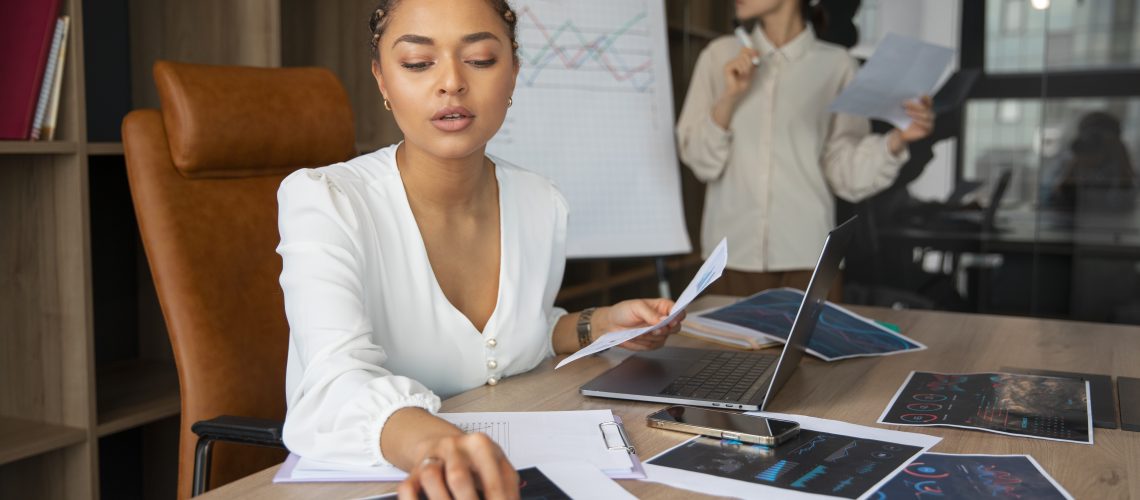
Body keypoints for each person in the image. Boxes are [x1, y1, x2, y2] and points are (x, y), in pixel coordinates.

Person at [275, 0, 683, 498]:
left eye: (481, 59)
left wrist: (595, 324)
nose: (450, 82)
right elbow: (329, 384)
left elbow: (509, 340)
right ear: (382, 80)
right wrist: (437, 444)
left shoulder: (540, 201)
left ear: (512, 74)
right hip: (377, 477)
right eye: (418, 63)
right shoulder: (327, 200)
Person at [676, 0, 935, 298]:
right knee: (720, 347)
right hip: (728, 259)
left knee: (809, 347)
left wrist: (897, 139)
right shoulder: (718, 56)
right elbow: (700, 161)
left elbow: (844, 173)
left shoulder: (837, 66)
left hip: (808, 261)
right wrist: (730, 98)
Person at [1044, 111, 1136, 212]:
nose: (1094, 139)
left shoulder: (1119, 165)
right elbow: (1050, 199)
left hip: (1111, 222)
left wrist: (1122, 158)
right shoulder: (1067, 160)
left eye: (1100, 136)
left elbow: (1126, 203)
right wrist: (1074, 163)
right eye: (1090, 133)